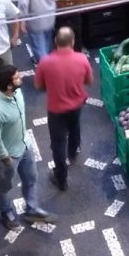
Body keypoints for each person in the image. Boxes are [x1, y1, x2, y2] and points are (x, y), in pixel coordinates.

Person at [0, 65, 56, 229]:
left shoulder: (16, 93)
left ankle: (31, 209)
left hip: (24, 145)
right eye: (17, 78)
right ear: (9, 86)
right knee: (5, 186)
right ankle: (6, 212)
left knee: (31, 178)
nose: (21, 78)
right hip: (8, 156)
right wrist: (5, 158)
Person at [34, 27, 92, 191]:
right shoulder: (82, 59)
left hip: (56, 109)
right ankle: (73, 150)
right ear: (72, 41)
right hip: (76, 105)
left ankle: (61, 179)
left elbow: (38, 86)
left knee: (58, 143)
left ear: (55, 42)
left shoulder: (45, 62)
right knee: (74, 127)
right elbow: (89, 81)